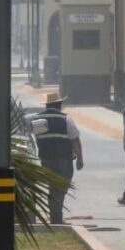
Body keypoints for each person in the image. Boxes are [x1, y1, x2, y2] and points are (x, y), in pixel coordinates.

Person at [26, 92, 84, 224]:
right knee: (60, 189)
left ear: (47, 105)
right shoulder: (66, 119)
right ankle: (56, 217)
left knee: (53, 187)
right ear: (60, 105)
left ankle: (55, 216)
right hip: (64, 159)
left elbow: (23, 124)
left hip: (46, 160)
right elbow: (75, 139)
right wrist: (80, 158)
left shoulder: (36, 119)